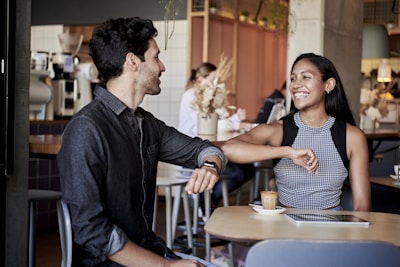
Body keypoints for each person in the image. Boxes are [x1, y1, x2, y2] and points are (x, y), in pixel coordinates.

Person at [57, 17, 227, 267]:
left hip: (153, 251)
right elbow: (92, 232)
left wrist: (210, 167)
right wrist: (166, 266)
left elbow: (206, 150)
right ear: (133, 61)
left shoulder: (146, 124)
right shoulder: (86, 129)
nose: (162, 67)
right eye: (156, 57)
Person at [221, 53, 371, 211]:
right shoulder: (277, 131)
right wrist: (287, 152)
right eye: (293, 78)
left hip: (331, 229)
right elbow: (228, 149)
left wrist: (350, 234)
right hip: (285, 228)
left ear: (328, 85)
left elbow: (362, 206)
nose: (295, 85)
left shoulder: (352, 137)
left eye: (305, 77)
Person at [178, 62, 255, 210]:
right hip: (193, 151)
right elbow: (206, 123)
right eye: (212, 79)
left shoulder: (209, 97)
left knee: (248, 170)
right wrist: (235, 123)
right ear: (200, 78)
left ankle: (209, 200)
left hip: (209, 149)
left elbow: (217, 122)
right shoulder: (191, 96)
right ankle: (207, 202)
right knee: (238, 173)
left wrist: (236, 119)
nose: (215, 83)